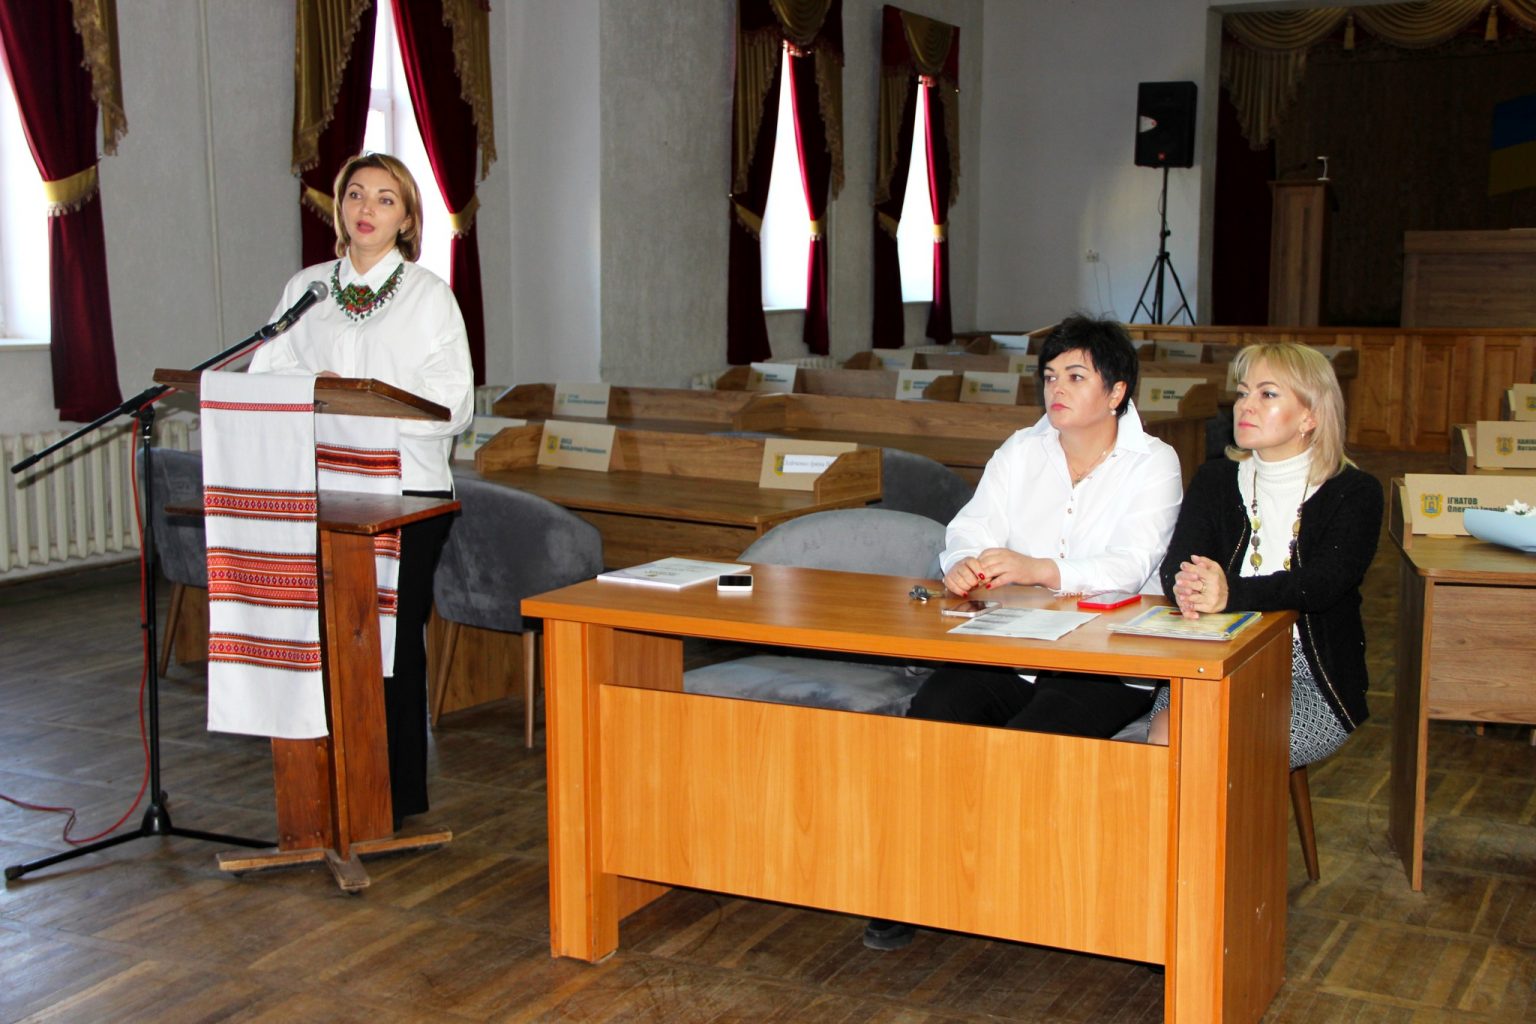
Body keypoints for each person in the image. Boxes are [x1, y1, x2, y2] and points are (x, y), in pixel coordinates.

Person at [863, 314, 1183, 951]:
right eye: (1050, 376)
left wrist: (1041, 569)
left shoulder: (1154, 463)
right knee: (932, 719)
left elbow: (1130, 564)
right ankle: (911, 884)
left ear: (1117, 391)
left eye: (1075, 377)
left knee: (1030, 746)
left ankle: (1015, 892)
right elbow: (971, 525)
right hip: (1014, 644)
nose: (1056, 389)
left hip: (1106, 659)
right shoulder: (1021, 449)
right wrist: (963, 562)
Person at [250, 152, 474, 828]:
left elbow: (454, 402)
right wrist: (315, 393)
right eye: (355, 194)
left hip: (406, 494)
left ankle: (394, 795)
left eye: (384, 198)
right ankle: (329, 781)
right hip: (323, 488)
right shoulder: (308, 290)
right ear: (339, 207)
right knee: (324, 639)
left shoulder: (429, 295)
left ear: (406, 219)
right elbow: (266, 373)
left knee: (391, 646)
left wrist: (366, 403)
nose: (366, 209)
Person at [1146, 343, 1381, 775]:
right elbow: (1177, 564)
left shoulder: (1354, 491)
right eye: (1242, 392)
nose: (1245, 406)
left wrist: (1230, 594)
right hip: (1214, 657)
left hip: (1311, 674)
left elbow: (1322, 584)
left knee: (1209, 743)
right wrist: (1187, 584)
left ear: (1310, 416)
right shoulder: (1215, 479)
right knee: (1169, 733)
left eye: (1267, 394)